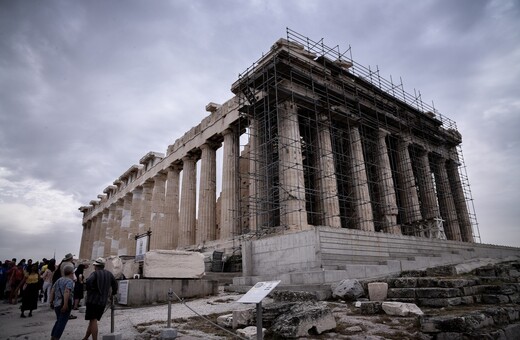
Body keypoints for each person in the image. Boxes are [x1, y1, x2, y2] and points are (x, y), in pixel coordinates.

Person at [82, 258, 117, 340]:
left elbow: (88, 283)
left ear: (96, 266)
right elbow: (115, 284)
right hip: (102, 302)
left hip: (93, 300)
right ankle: (86, 338)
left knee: (93, 320)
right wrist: (113, 294)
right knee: (92, 320)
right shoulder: (109, 274)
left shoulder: (95, 274)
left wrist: (92, 289)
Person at [49, 263, 75, 340]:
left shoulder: (58, 280)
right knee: (62, 323)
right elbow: (66, 292)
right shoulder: (69, 281)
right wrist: (65, 305)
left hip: (57, 304)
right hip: (64, 303)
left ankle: (52, 337)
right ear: (71, 273)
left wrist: (51, 301)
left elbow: (52, 291)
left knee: (58, 321)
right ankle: (56, 338)